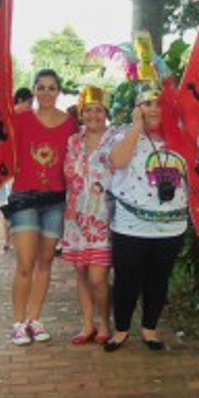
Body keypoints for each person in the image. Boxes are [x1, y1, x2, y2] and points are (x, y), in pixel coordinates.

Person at [103, 84, 189, 352]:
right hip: (131, 226)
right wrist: (136, 128)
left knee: (158, 280)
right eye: (146, 103)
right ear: (137, 107)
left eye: (158, 103)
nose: (153, 109)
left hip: (171, 227)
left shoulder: (183, 137)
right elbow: (116, 161)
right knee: (126, 279)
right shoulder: (122, 134)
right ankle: (121, 330)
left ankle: (150, 329)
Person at [5, 70, 78, 345]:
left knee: (45, 263)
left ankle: (34, 319)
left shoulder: (70, 124)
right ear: (34, 90)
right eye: (41, 87)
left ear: (58, 91)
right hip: (24, 198)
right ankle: (17, 322)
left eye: (51, 88)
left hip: (55, 201)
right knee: (25, 263)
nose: (46, 92)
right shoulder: (20, 119)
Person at [60, 86, 114, 345]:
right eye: (88, 110)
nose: (93, 115)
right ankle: (87, 324)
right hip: (75, 217)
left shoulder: (116, 138)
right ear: (81, 114)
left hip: (104, 219)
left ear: (106, 113)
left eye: (98, 110)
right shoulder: (73, 140)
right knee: (81, 272)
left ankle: (105, 322)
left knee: (97, 276)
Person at [0, 88, 34, 255]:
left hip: (25, 170)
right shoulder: (9, 118)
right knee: (11, 207)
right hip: (12, 170)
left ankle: (15, 242)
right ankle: (7, 242)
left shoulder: (28, 119)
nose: (31, 107)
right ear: (19, 100)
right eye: (29, 103)